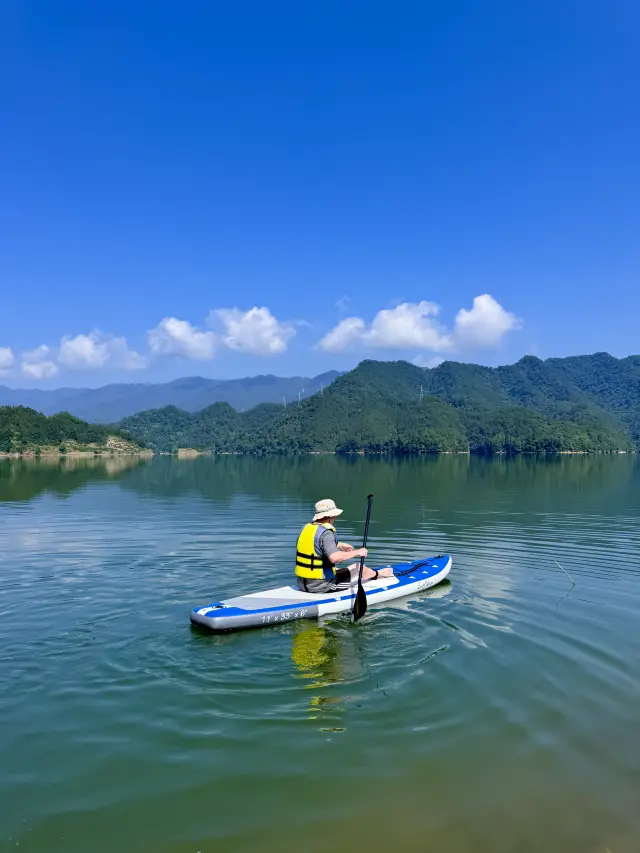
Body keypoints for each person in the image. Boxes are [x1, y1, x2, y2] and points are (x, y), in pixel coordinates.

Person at [295, 498, 394, 593]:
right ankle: (378, 574)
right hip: (322, 586)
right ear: (329, 516)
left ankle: (374, 574)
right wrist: (358, 552)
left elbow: (315, 545)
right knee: (359, 567)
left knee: (336, 569)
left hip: (302, 584)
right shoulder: (326, 533)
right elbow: (335, 558)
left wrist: (340, 545)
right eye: (334, 516)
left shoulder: (307, 528)